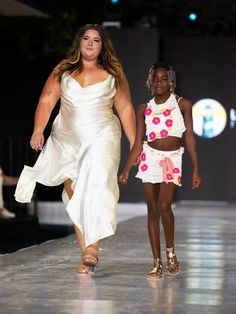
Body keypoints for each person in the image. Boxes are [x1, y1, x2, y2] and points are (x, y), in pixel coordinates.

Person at [15, 24, 136, 274]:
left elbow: (125, 108)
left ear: (103, 46)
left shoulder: (114, 71)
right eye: (86, 38)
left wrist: (135, 144)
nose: (90, 43)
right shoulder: (63, 69)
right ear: (79, 42)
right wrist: (39, 129)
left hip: (102, 135)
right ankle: (86, 253)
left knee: (96, 185)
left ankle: (92, 248)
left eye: (96, 40)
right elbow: (47, 100)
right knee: (74, 192)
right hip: (66, 138)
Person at [119, 62, 201, 278]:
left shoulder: (183, 104)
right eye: (155, 78)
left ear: (171, 81)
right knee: (152, 209)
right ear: (150, 81)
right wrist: (127, 168)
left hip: (172, 159)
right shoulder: (144, 109)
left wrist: (196, 169)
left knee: (165, 204)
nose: (159, 82)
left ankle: (171, 253)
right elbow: (138, 143)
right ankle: (157, 262)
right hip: (150, 158)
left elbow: (190, 137)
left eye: (164, 78)